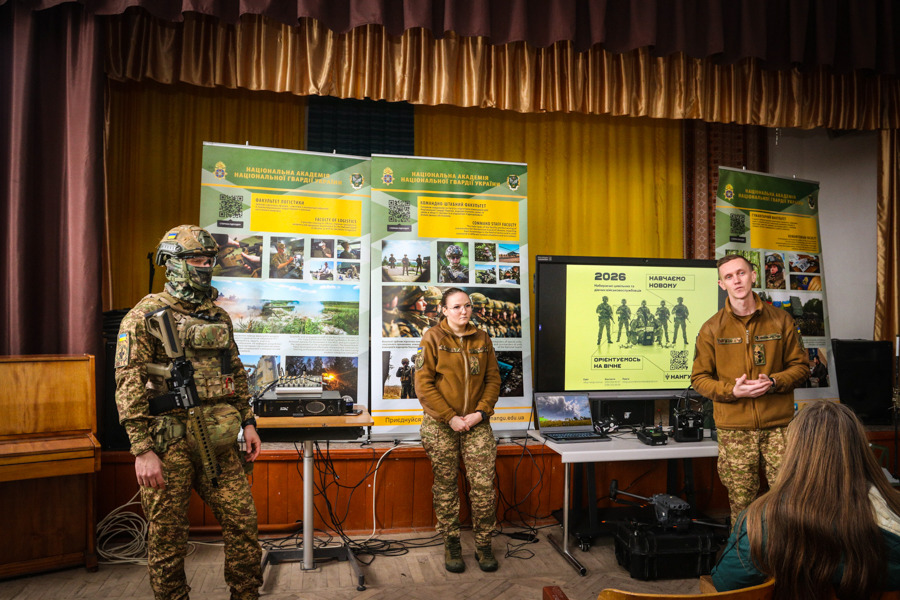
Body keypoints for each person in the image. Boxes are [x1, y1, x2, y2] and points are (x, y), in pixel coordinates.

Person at [114, 225, 262, 600]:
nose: (205, 265)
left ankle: (246, 594)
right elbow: (128, 384)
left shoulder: (218, 316)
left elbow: (236, 373)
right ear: (172, 262)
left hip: (218, 440)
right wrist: (142, 450)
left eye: (209, 259)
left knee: (244, 522)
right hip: (169, 444)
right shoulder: (144, 315)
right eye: (196, 258)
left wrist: (248, 422)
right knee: (168, 538)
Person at [711, 401, 900, 600]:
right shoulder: (893, 508)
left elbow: (727, 583)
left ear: (793, 451)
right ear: (859, 448)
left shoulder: (762, 519)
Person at [691, 254, 809, 525]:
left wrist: (774, 382)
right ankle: (744, 553)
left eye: (741, 273)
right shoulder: (711, 328)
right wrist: (733, 391)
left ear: (753, 276)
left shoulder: (782, 320)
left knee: (788, 502)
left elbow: (801, 367)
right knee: (742, 505)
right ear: (722, 284)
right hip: (735, 431)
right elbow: (699, 379)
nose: (736, 280)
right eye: (729, 276)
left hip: (779, 428)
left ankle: (784, 552)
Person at [414, 288, 501, 574]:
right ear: (444, 310)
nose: (463, 311)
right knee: (446, 486)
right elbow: (423, 385)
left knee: (484, 488)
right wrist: (450, 417)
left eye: (467, 306)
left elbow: (493, 379)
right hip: (441, 426)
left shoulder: (483, 338)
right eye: (456, 307)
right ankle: (451, 543)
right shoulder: (432, 338)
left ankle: (484, 544)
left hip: (477, 424)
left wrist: (480, 413)